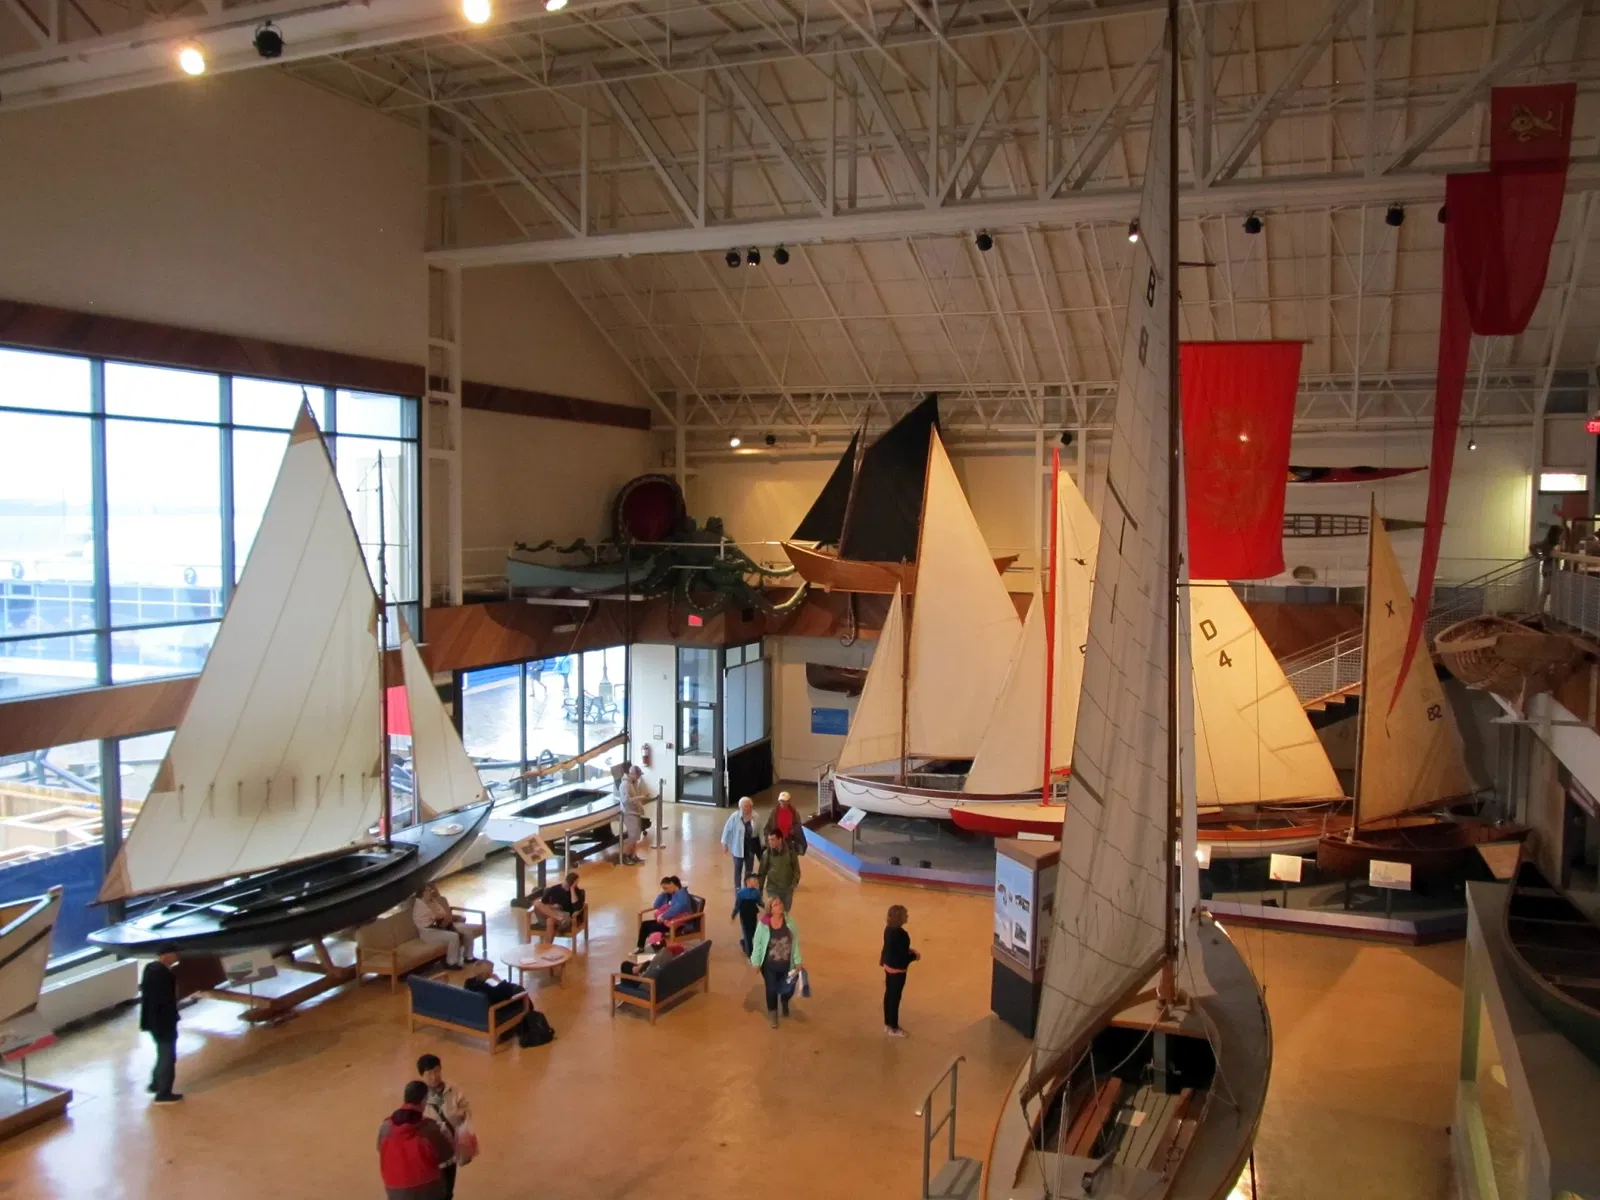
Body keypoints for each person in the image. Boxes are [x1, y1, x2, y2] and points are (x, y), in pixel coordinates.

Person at [378, 1080, 454, 1200]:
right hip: (427, 1191)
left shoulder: (385, 1127)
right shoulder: (429, 1128)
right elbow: (447, 1155)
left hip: (395, 1192)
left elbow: (380, 1149)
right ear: (424, 1101)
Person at [417, 1054, 472, 1198]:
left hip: (451, 1148)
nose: (434, 1076)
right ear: (422, 1075)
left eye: (436, 1071)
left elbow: (465, 1107)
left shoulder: (453, 1089)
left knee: (448, 1189)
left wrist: (461, 1114)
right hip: (432, 1152)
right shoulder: (419, 1096)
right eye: (429, 1073)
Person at [749, 895, 802, 1029]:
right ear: (770, 909)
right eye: (776, 905)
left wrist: (798, 960)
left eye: (780, 903)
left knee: (788, 988)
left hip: (786, 964)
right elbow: (758, 943)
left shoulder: (790, 922)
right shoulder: (763, 924)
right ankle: (773, 1013)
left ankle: (784, 1001)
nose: (780, 906)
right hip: (769, 965)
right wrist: (755, 961)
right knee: (771, 989)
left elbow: (795, 942)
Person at [139, 947, 182, 1104]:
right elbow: (166, 1002)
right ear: (166, 955)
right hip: (164, 1022)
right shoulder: (164, 974)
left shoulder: (149, 968)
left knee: (163, 1053)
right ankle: (164, 1093)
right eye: (174, 953)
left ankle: (155, 1084)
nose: (177, 956)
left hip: (152, 1021)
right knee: (168, 1056)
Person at [880, 904, 921, 1038]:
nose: (907, 916)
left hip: (888, 967)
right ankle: (894, 1027)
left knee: (888, 995)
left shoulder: (888, 929)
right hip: (898, 971)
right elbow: (902, 957)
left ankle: (887, 1023)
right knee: (895, 998)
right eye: (905, 914)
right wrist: (914, 956)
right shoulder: (902, 934)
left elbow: (891, 948)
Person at [413, 884, 473, 968]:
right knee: (454, 936)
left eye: (431, 890)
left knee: (468, 931)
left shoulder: (432, 901)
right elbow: (436, 916)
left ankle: (468, 957)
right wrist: (443, 917)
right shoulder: (420, 905)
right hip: (428, 932)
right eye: (429, 891)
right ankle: (451, 962)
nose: (431, 892)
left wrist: (444, 918)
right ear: (423, 893)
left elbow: (442, 913)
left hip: (440, 927)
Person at [719, 796, 763, 899]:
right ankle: (738, 889)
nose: (747, 808)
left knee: (749, 870)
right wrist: (724, 843)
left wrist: (763, 843)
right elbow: (727, 829)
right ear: (740, 807)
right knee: (738, 869)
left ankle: (748, 888)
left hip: (750, 848)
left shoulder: (756, 816)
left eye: (749, 806)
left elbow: (760, 830)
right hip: (738, 848)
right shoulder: (734, 817)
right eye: (744, 806)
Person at [636, 876, 693, 949]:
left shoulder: (683, 895)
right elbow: (656, 905)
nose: (665, 890)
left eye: (666, 888)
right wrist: (662, 893)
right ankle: (640, 948)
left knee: (649, 928)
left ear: (672, 884)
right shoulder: (673, 893)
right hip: (669, 920)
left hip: (677, 923)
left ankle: (654, 949)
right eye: (663, 889)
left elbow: (676, 909)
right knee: (645, 924)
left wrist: (663, 916)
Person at [533, 870, 585, 941]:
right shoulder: (554, 889)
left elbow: (576, 908)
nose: (566, 886)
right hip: (552, 913)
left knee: (550, 920)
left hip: (564, 916)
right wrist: (553, 906)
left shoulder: (577, 892)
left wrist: (572, 889)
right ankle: (557, 917)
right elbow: (543, 904)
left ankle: (547, 947)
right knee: (536, 902)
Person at [758, 830, 801, 913]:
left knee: (785, 912)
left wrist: (794, 884)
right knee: (774, 911)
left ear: (780, 839)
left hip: (787, 889)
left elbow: (796, 869)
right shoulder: (766, 854)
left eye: (772, 839)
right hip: (772, 889)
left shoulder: (790, 853)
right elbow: (762, 873)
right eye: (769, 840)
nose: (770, 842)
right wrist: (759, 889)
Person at [618, 765, 652, 866]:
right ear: (632, 774)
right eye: (637, 775)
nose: (638, 777)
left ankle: (633, 855)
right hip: (629, 813)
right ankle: (626, 856)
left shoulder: (633, 783)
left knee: (636, 835)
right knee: (632, 836)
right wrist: (640, 797)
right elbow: (625, 800)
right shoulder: (625, 785)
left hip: (635, 812)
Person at [734, 872, 763, 958]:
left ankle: (744, 942)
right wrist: (734, 914)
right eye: (755, 880)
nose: (757, 882)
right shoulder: (741, 893)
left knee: (753, 931)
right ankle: (749, 952)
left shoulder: (757, 893)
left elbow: (759, 902)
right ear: (748, 881)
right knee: (747, 933)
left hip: (753, 914)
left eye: (757, 881)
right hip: (744, 915)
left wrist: (767, 907)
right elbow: (737, 905)